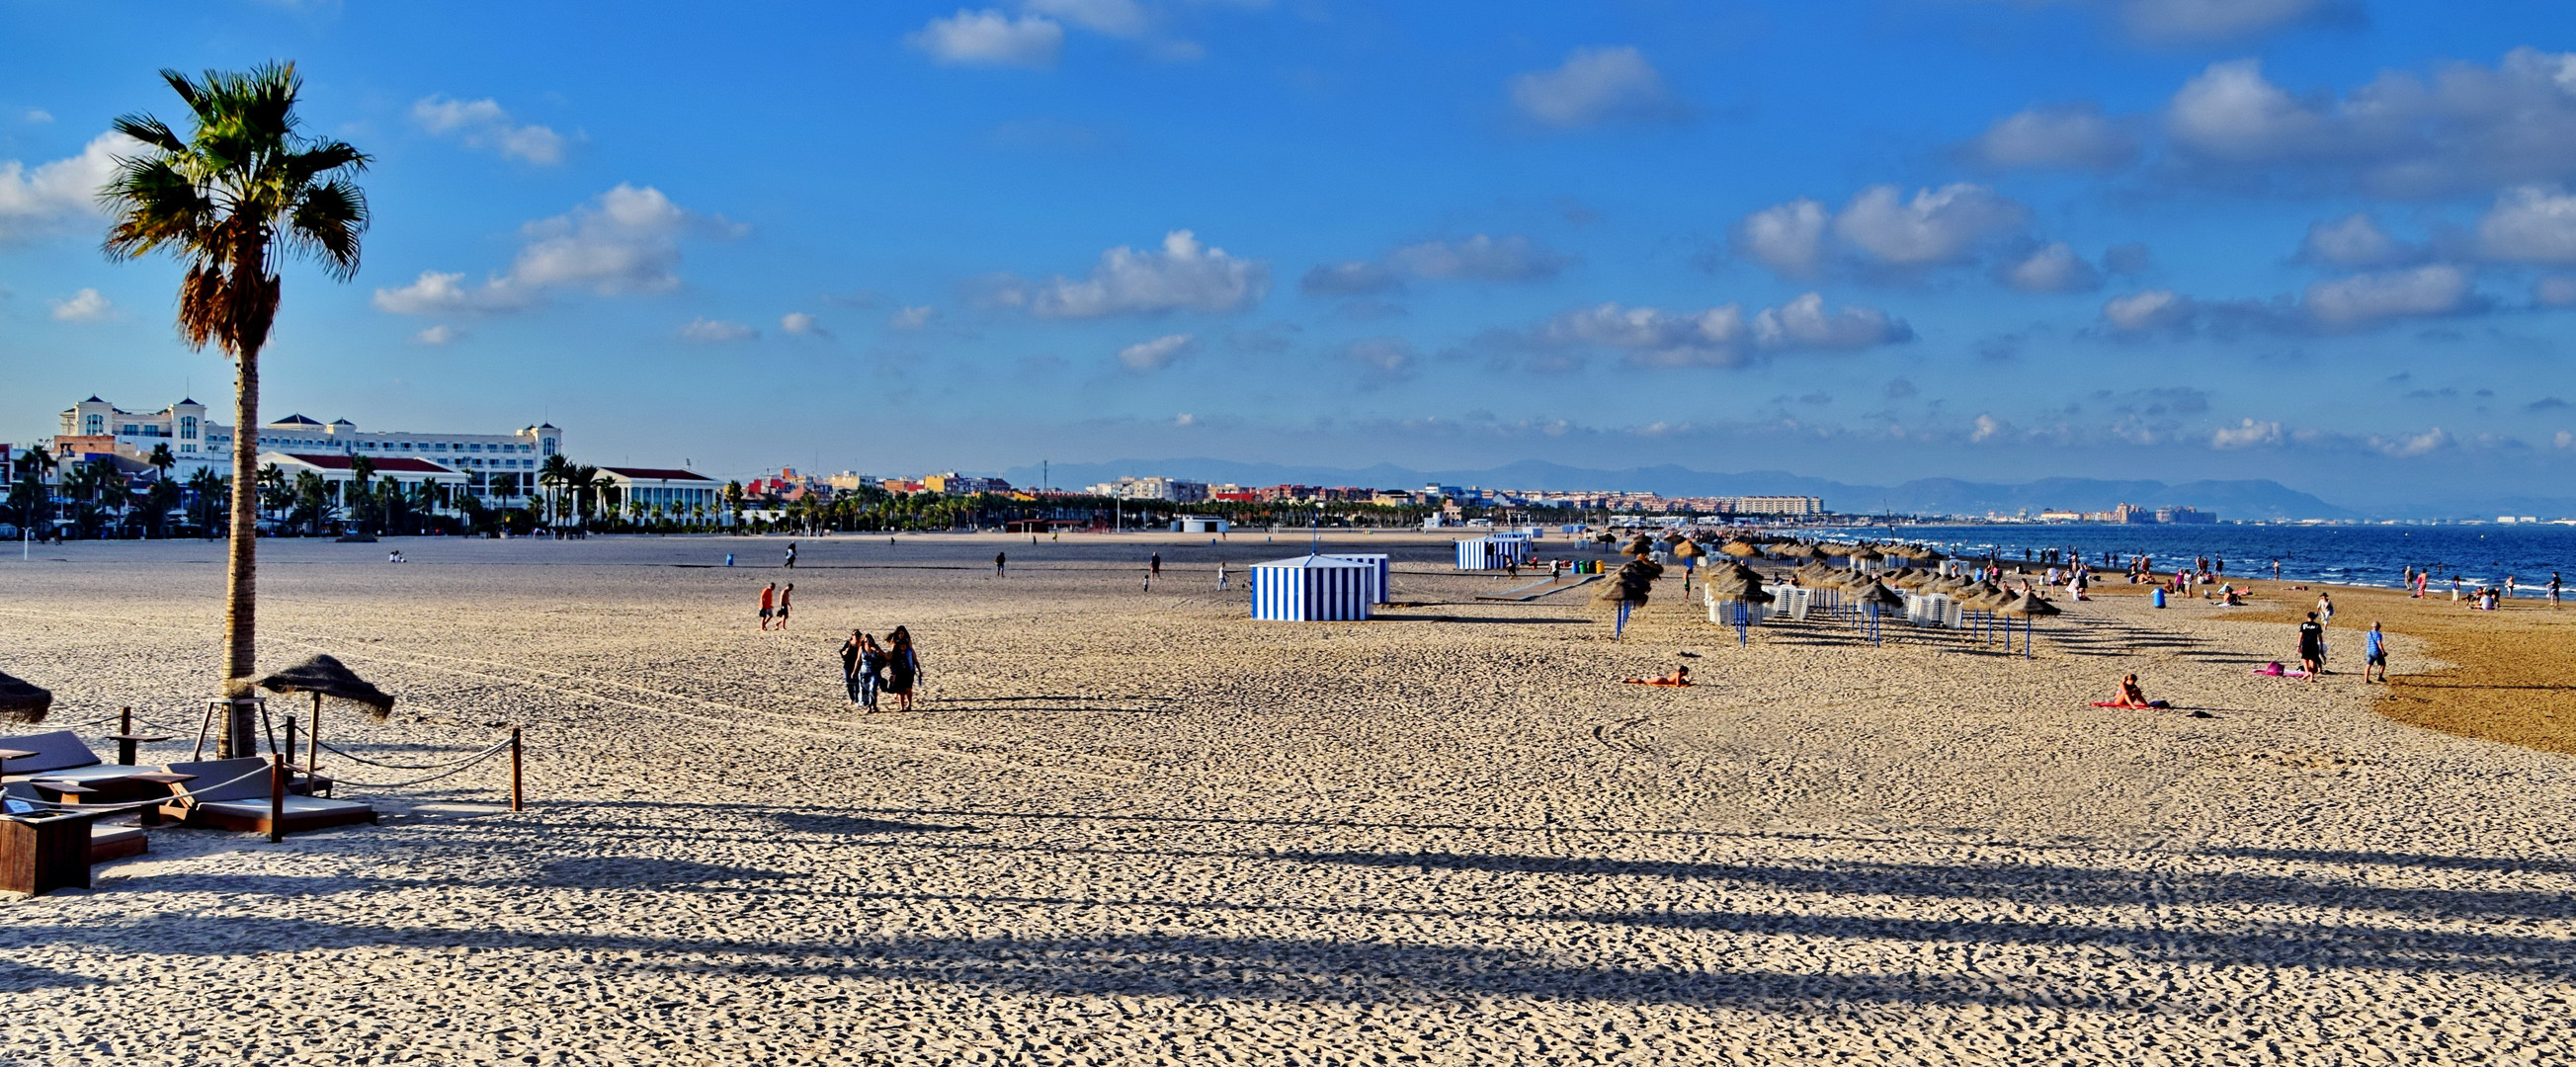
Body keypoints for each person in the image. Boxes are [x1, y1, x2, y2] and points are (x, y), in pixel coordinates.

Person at [885, 626, 921, 712]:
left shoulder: (908, 648)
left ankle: (909, 705)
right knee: (901, 690)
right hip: (899, 671)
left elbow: (914, 659)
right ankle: (902, 707)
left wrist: (919, 670)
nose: (901, 635)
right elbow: (890, 658)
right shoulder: (895, 648)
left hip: (909, 671)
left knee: (908, 689)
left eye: (902, 633)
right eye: (899, 633)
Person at [2099, 673, 2170, 709]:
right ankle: (2132, 706)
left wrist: (2136, 691)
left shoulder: (2133, 685)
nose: (2133, 683)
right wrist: (2132, 691)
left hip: (2127, 701)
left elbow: (2137, 691)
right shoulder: (2122, 684)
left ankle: (2146, 704)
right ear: (2128, 680)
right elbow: (2125, 692)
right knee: (2125, 693)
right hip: (2118, 701)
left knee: (2138, 692)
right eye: (2132, 682)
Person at [839, 629, 867, 704]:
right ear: (852, 636)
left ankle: (857, 699)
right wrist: (844, 652)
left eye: (859, 636)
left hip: (858, 665)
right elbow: (841, 652)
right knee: (849, 683)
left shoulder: (862, 645)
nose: (857, 637)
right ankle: (852, 698)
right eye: (856, 635)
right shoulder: (848, 644)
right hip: (848, 665)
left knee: (857, 682)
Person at [2296, 612, 2325, 681]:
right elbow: (2320, 637)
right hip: (2314, 644)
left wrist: (2298, 646)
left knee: (2305, 659)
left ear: (2307, 617)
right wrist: (2321, 646)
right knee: (2313, 660)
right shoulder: (2317, 625)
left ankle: (2307, 672)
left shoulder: (2304, 625)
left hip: (2306, 644)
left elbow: (2301, 636)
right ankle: (2311, 676)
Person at [1622, 666, 1691, 687]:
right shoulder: (1678, 674)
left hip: (1661, 679)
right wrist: (1684, 683)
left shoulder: (1676, 673)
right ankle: (1628, 680)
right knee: (1642, 681)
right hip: (1660, 680)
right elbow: (1677, 684)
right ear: (1683, 671)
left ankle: (1629, 680)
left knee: (1643, 681)